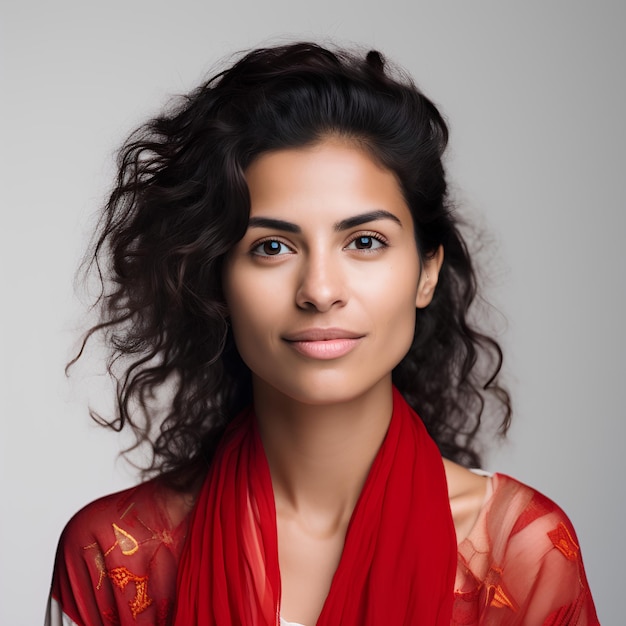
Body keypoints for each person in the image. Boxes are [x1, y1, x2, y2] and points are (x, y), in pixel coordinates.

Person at [45, 42, 599, 625]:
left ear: (426, 271)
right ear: (217, 282)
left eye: (365, 242)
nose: (320, 289)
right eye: (272, 247)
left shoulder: (517, 553)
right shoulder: (114, 554)